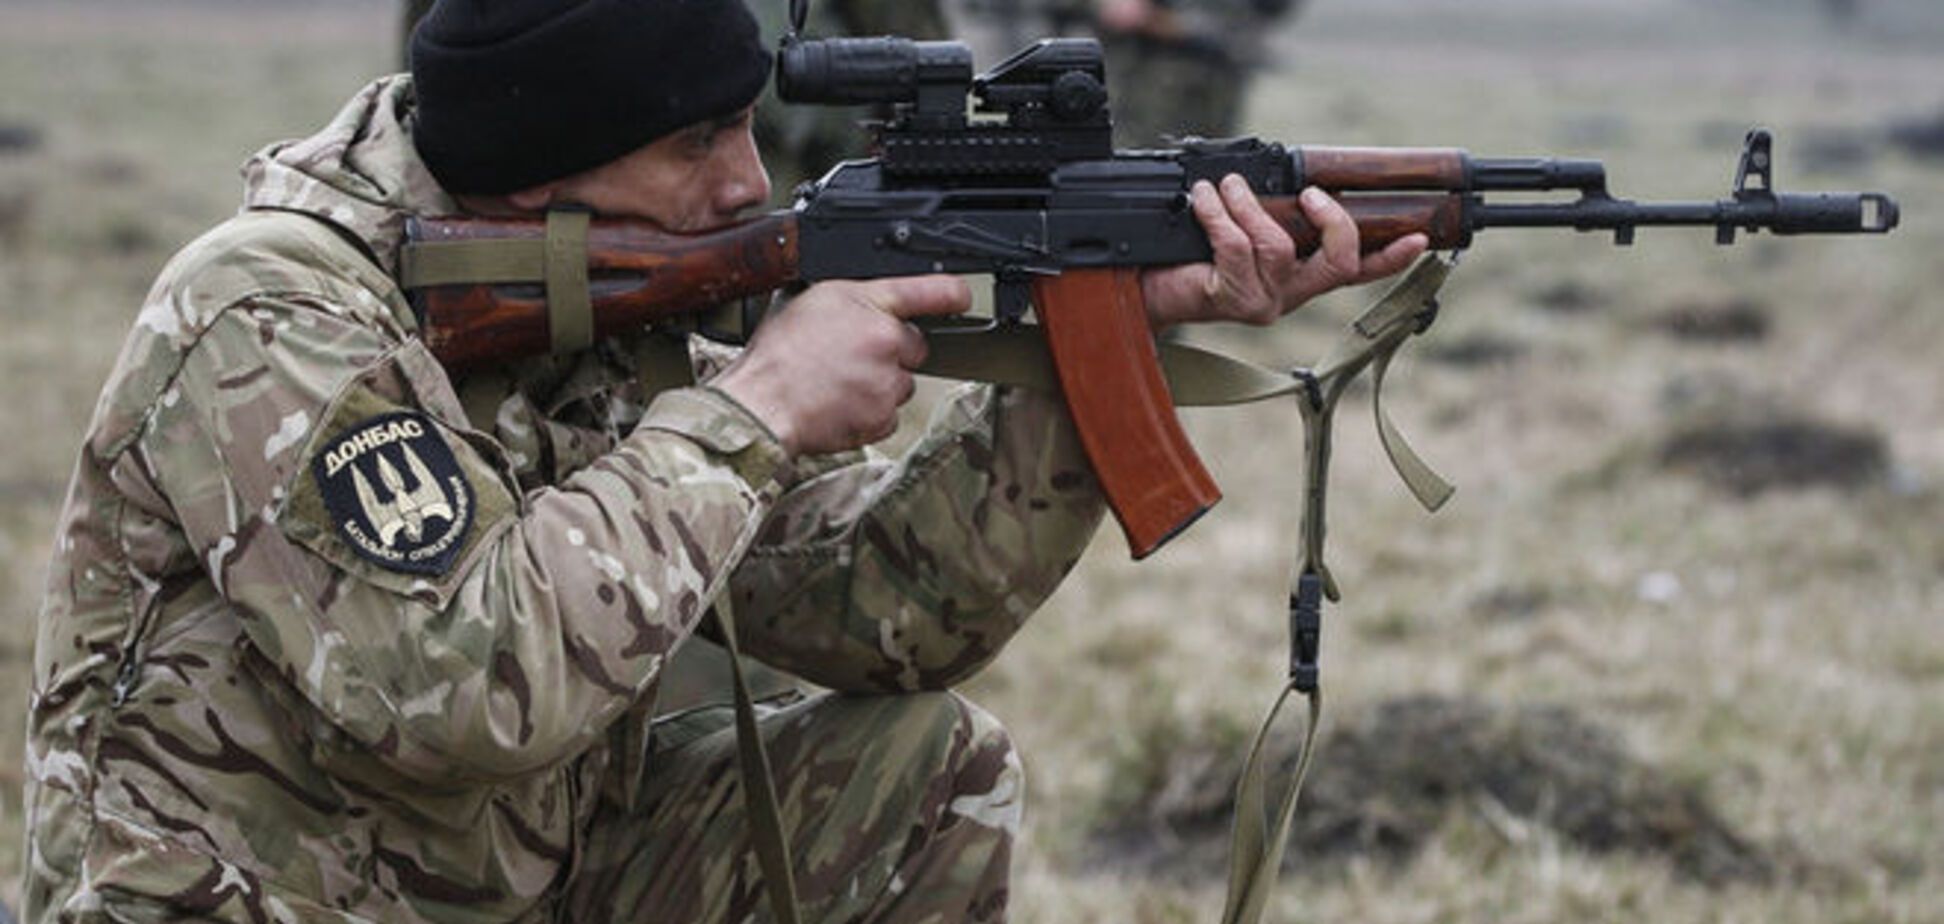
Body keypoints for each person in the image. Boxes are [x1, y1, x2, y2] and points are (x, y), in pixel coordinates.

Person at [19, 0, 1424, 921]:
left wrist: (1097, 336)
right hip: (250, 902)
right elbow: (448, 687)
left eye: (747, 124)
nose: (750, 183)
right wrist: (750, 412)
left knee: (921, 769)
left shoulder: (599, 315)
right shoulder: (269, 313)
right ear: (536, 171)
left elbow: (888, 610)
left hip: (515, 884)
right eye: (699, 141)